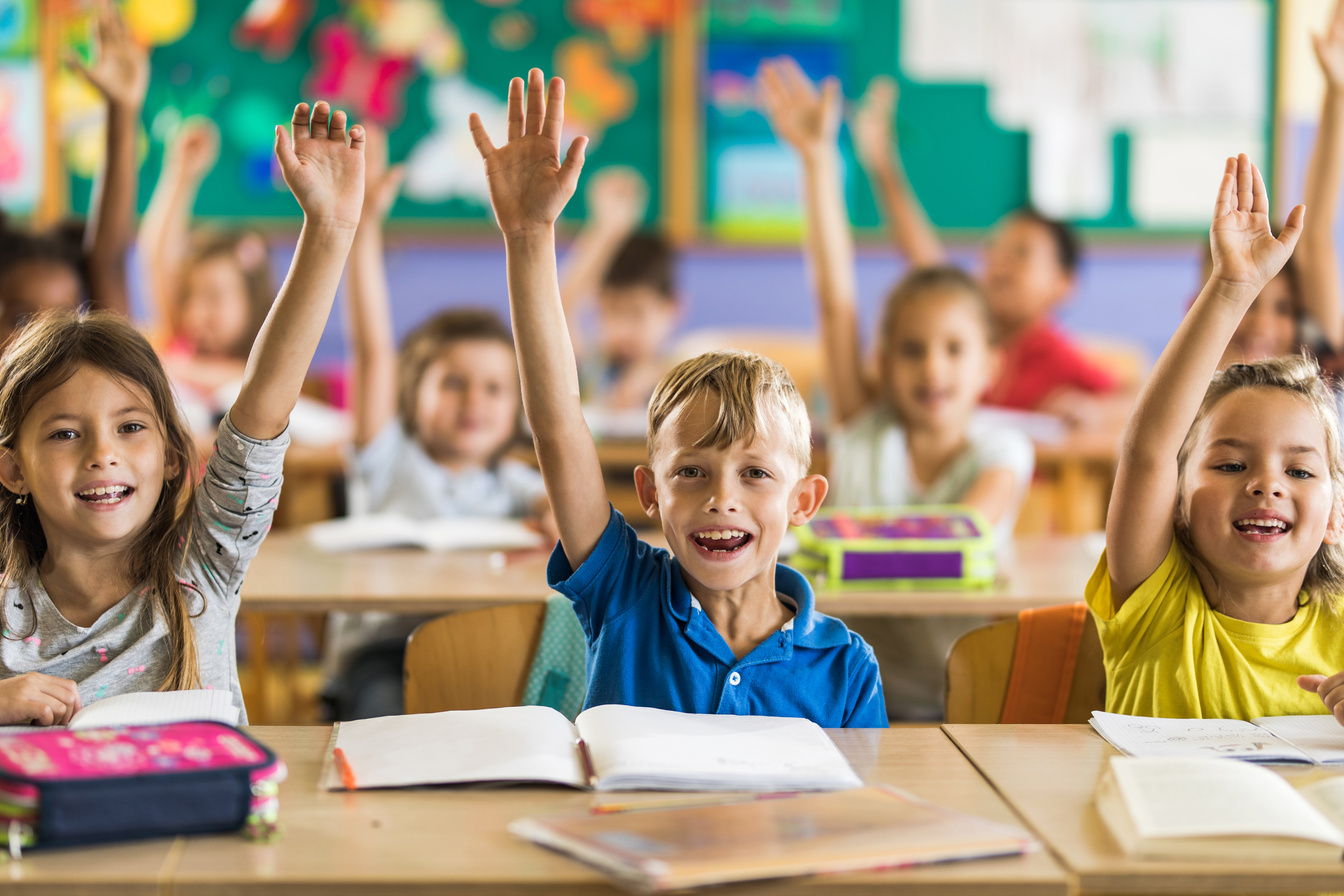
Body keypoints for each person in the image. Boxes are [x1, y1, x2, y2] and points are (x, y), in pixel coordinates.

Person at [472, 68, 885, 726]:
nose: (722, 497)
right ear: (650, 491)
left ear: (804, 500)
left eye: (755, 474)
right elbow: (557, 427)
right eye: (690, 472)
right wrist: (528, 239)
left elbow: (859, 819)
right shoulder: (622, 591)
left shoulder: (846, 667)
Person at [0, 100, 365, 726]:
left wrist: (329, 231)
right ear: (12, 470)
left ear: (174, 458)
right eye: (64, 433)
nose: (102, 453)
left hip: (204, 824)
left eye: (131, 427)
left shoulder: (204, 565)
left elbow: (264, 401)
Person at [757, 56, 1033, 720]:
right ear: (883, 360)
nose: (932, 370)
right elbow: (835, 303)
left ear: (990, 364)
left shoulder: (1003, 450)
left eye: (954, 350)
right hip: (850, 697)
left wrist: (842, 541)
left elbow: (964, 532)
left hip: (966, 703)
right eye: (911, 350)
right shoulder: (865, 422)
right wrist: (819, 163)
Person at [1087, 152, 1344, 721]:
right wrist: (1231, 286)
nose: (1266, 485)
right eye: (1230, 465)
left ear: (1335, 519)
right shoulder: (1155, 601)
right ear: (1175, 504)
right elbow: (1148, 452)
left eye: (1300, 471)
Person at [321, 125, 552, 720]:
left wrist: (550, 516)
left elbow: (558, 511)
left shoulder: (512, 483)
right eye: (452, 383)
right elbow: (374, 350)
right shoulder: (388, 453)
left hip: (483, 649)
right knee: (382, 724)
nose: (474, 401)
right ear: (411, 390)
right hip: (383, 653)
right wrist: (364, 228)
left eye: (495, 388)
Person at [850, 76, 1120, 425]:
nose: (999, 262)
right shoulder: (959, 332)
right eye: (994, 249)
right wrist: (882, 164)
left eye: (1021, 253)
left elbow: (1134, 398)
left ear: (1063, 284)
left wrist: (1093, 410)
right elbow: (925, 261)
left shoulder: (1056, 356)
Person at [0, 0, 143, 340]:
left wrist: (121, 111)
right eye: (20, 321)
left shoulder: (88, 373)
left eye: (65, 322)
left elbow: (107, 263)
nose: (40, 340)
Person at [1214, 0, 1344, 368]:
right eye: (1248, 302)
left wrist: (1337, 94)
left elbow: (1315, 235)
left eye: (1284, 308)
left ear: (1303, 322)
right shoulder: (1200, 389)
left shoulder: (1314, 373)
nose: (1263, 325)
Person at [138, 118, 277, 432]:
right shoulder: (181, 339)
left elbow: (243, 381)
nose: (197, 312)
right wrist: (181, 176)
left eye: (214, 297)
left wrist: (166, 366)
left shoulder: (264, 368)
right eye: (189, 296)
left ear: (253, 300)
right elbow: (157, 257)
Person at [558, 167, 680, 411]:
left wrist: (654, 373)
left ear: (672, 309)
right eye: (611, 312)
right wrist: (605, 230)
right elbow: (561, 306)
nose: (622, 330)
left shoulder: (678, 370)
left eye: (637, 313)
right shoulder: (592, 369)